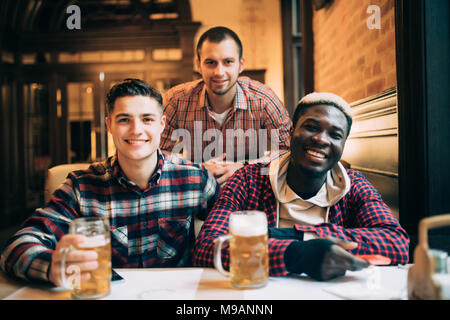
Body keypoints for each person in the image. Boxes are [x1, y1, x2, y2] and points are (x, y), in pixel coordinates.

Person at [0, 79, 219, 286]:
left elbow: (230, 227)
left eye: (147, 119)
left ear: (162, 124)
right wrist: (52, 266)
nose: (136, 129)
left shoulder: (195, 179)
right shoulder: (80, 188)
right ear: (109, 125)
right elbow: (16, 247)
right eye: (124, 119)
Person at [193, 92, 410, 281]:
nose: (321, 139)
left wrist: (290, 236)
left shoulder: (354, 185)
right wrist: (296, 254)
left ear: (343, 146)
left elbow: (397, 243)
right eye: (311, 127)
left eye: (335, 135)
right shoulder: (248, 180)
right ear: (291, 132)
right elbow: (207, 247)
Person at [160, 26, 292, 184]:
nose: (219, 72)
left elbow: (289, 150)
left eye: (228, 62)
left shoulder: (263, 99)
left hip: (250, 187)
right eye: (211, 63)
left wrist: (245, 167)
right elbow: (157, 152)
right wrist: (195, 168)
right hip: (197, 188)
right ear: (198, 65)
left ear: (241, 65)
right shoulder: (176, 100)